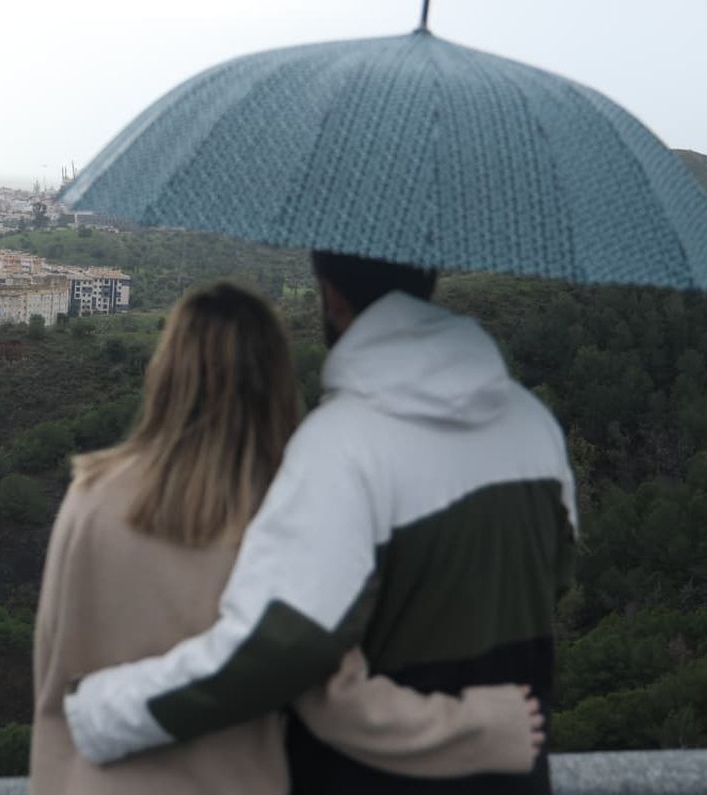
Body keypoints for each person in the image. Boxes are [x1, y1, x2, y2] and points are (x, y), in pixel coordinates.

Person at [63, 256, 578, 794]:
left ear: (331, 297)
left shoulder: (342, 444)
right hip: (518, 774)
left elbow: (273, 651)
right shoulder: (534, 425)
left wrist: (99, 712)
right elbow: (553, 578)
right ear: (428, 282)